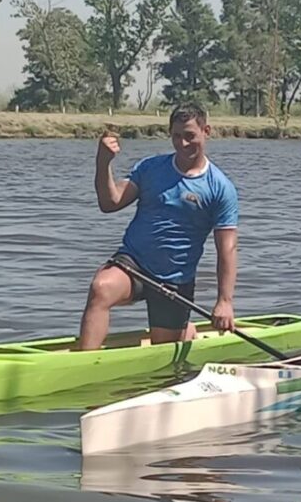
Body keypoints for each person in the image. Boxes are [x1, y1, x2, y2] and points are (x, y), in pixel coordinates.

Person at [76, 102, 238, 351]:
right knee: (101, 288)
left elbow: (227, 249)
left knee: (164, 351)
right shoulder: (150, 168)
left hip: (175, 280)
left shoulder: (220, 187)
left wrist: (224, 301)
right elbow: (110, 203)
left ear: (206, 131)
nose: (182, 143)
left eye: (189, 136)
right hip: (134, 263)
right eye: (176, 136)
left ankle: (186, 331)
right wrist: (103, 163)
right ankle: (84, 363)